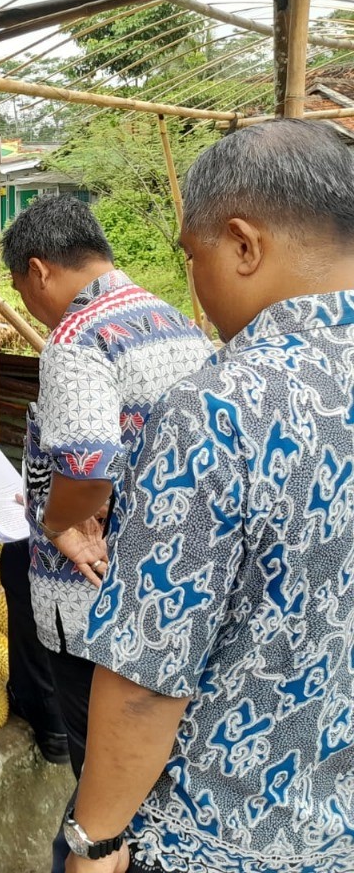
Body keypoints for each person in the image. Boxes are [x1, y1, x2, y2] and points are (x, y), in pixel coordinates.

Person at [65, 119, 354, 873]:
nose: (192, 283)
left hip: (215, 841)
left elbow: (145, 679)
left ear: (244, 244)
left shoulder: (219, 408)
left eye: (195, 257)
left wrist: (95, 839)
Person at [1, 194, 212, 871]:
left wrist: (58, 519)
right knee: (151, 767)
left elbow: (88, 465)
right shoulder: (175, 321)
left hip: (92, 598)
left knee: (105, 792)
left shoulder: (79, 335)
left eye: (17, 286)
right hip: (169, 584)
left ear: (37, 271)